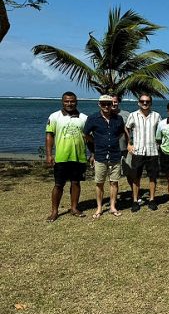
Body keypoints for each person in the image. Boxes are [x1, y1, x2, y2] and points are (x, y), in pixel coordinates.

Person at [44, 91, 89, 221]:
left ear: (76, 102)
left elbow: (89, 137)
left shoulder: (84, 118)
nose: (69, 103)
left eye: (72, 101)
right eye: (66, 101)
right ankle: (54, 211)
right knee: (58, 185)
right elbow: (49, 136)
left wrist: (93, 153)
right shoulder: (54, 117)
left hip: (79, 157)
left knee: (76, 183)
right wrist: (49, 154)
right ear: (62, 102)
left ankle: (74, 208)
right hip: (61, 157)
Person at [83, 94, 126, 219]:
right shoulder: (92, 118)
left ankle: (112, 206)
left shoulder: (118, 119)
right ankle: (99, 207)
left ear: (112, 104)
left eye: (109, 103)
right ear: (99, 104)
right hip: (100, 155)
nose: (106, 106)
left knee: (114, 182)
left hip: (115, 154)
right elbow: (86, 134)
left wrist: (111, 141)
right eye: (103, 104)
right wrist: (96, 143)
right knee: (99, 183)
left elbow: (120, 133)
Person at [125, 93, 161, 212]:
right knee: (136, 177)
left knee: (152, 177)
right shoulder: (133, 115)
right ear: (138, 102)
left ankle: (151, 199)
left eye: (147, 101)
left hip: (153, 151)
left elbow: (160, 131)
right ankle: (135, 200)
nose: (145, 103)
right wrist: (129, 144)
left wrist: (159, 144)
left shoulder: (156, 116)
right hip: (138, 151)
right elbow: (127, 128)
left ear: (150, 103)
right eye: (142, 101)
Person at [111, 94, 132, 198]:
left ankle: (134, 194)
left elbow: (133, 130)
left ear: (118, 102)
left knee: (130, 173)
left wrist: (131, 144)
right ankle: (114, 198)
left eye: (115, 101)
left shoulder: (127, 115)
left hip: (125, 150)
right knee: (113, 177)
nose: (113, 104)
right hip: (111, 151)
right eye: (111, 102)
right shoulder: (105, 115)